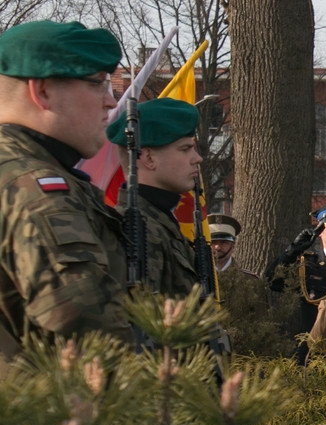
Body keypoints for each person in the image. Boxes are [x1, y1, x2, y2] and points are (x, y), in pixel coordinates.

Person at [0, 20, 133, 371]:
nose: (110, 101)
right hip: (46, 419)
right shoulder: (35, 189)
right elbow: (92, 335)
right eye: (98, 84)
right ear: (42, 91)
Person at [106, 97, 202, 297]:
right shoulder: (136, 231)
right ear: (148, 158)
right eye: (185, 149)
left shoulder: (159, 222)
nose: (197, 158)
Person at [265, 199, 326, 361]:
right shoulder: (307, 264)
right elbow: (272, 281)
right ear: (320, 231)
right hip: (313, 346)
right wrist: (293, 250)